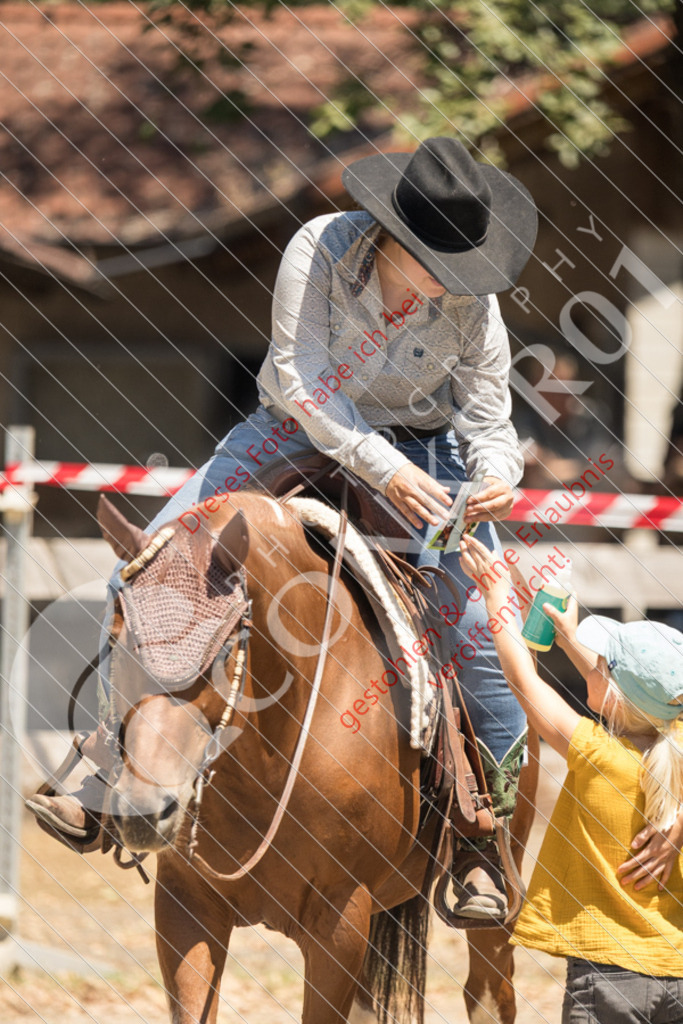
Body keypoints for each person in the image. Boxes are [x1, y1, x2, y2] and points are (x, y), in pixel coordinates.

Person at [27, 137, 538, 919]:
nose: (452, 282)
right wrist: (379, 466)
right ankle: (102, 765)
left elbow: (487, 416)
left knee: (481, 631)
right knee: (145, 569)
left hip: (424, 448)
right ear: (390, 235)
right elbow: (301, 381)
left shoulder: (475, 296)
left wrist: (500, 472)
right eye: (438, 260)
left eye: (463, 266)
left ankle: (478, 836)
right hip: (292, 428)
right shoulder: (320, 249)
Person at [460, 533, 683, 1021]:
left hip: (607, 981)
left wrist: (496, 595)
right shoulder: (675, 744)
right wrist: (570, 635)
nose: (591, 665)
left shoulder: (596, 752)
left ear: (614, 697)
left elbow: (521, 678)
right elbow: (630, 691)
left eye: (600, 664)